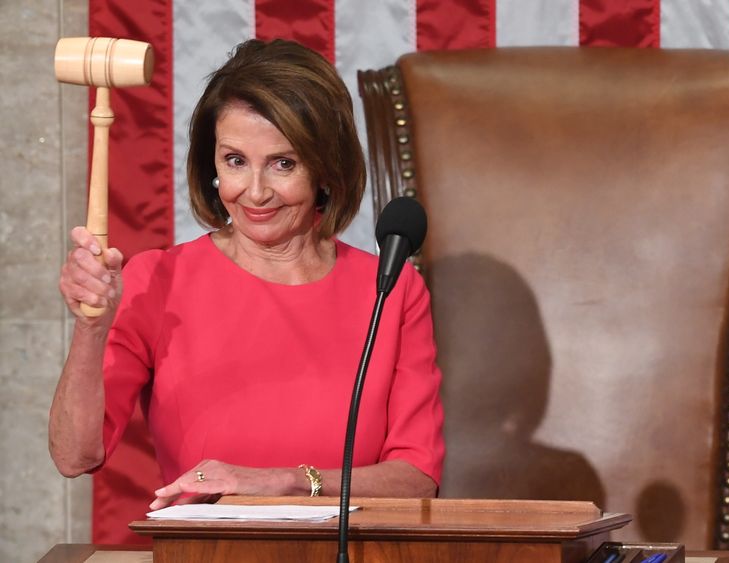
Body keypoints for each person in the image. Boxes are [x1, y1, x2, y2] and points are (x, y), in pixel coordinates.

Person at [49, 38, 445, 510]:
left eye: (283, 163)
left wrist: (284, 482)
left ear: (326, 169)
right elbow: (75, 456)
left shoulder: (391, 288)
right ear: (211, 164)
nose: (255, 193)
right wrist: (91, 328)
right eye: (235, 161)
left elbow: (416, 478)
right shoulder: (157, 279)